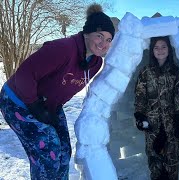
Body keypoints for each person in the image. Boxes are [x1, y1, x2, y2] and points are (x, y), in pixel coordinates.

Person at [0, 3, 114, 179]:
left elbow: (65, 86)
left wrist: (49, 107)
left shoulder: (95, 63)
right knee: (48, 149)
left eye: (108, 39)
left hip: (48, 104)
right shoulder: (63, 48)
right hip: (17, 101)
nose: (103, 44)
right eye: (99, 36)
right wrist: (36, 107)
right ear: (86, 33)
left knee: (63, 152)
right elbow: (24, 74)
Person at [134, 36, 179, 180]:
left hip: (171, 125)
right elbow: (140, 95)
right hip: (152, 126)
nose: (160, 50)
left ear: (169, 49)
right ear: (152, 51)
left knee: (172, 162)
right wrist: (139, 115)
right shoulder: (145, 72)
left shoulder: (176, 72)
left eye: (163, 46)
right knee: (154, 162)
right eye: (156, 47)